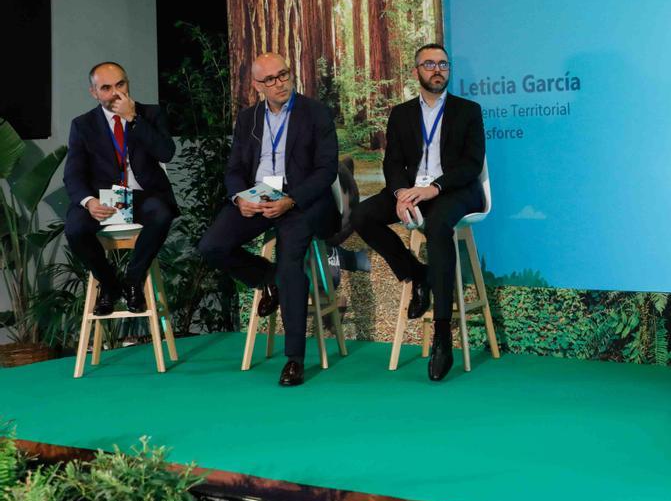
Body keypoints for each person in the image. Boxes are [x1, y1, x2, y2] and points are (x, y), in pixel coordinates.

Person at [198, 52, 338, 387]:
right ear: (257, 85)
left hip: (301, 200)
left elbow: (327, 169)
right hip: (258, 196)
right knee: (211, 246)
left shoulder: (315, 113)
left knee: (290, 263)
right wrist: (239, 199)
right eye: (270, 79)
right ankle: (267, 279)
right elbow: (233, 170)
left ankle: (294, 359)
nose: (280, 84)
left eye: (284, 75)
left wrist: (291, 200)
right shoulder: (248, 119)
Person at [350, 43, 485, 382]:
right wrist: (399, 194)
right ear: (416, 72)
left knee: (438, 226)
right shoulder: (401, 113)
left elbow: (471, 165)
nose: (437, 70)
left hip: (455, 191)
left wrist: (434, 188)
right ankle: (417, 273)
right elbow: (393, 161)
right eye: (429, 64)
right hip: (412, 191)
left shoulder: (468, 110)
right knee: (362, 216)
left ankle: (442, 336)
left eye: (443, 64)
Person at [64, 62, 177, 316]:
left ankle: (133, 280)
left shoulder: (150, 114)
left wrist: (133, 118)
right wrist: (88, 202)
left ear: (127, 83)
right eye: (106, 88)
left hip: (141, 196)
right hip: (103, 199)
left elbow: (166, 153)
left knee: (161, 213)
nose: (115, 93)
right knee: (75, 228)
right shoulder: (83, 125)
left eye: (120, 84)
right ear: (94, 92)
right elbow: (73, 174)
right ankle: (109, 284)